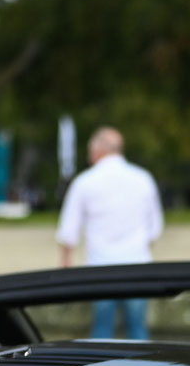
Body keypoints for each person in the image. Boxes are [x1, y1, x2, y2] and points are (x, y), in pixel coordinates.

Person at [55, 126, 162, 340]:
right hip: (137, 267)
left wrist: (66, 268)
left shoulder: (84, 182)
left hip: (100, 270)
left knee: (102, 332)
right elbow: (155, 228)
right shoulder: (143, 179)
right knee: (138, 331)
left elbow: (69, 231)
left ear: (97, 150)